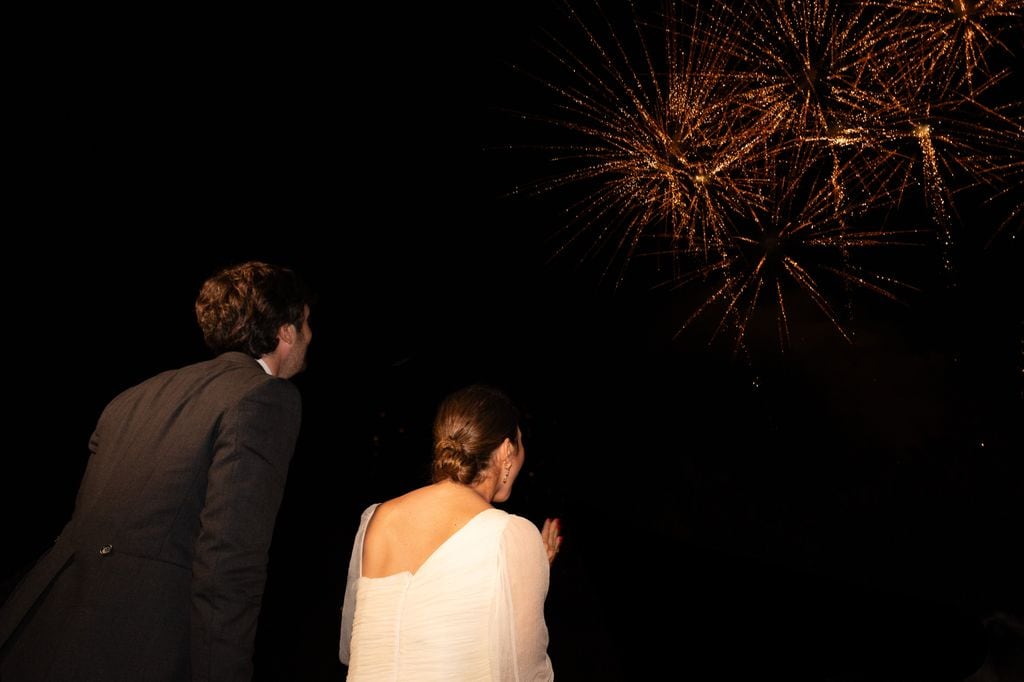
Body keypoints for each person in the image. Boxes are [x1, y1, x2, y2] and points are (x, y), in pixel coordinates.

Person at [0, 260, 313, 682]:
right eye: (307, 323)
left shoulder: (132, 396)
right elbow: (229, 561)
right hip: (137, 646)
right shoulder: (264, 398)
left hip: (46, 631)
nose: (310, 336)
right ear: (286, 331)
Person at [339, 383, 562, 681]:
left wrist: (527, 570)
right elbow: (525, 673)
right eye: (520, 443)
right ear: (507, 450)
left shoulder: (377, 518)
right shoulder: (509, 532)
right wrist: (528, 565)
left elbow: (356, 650)